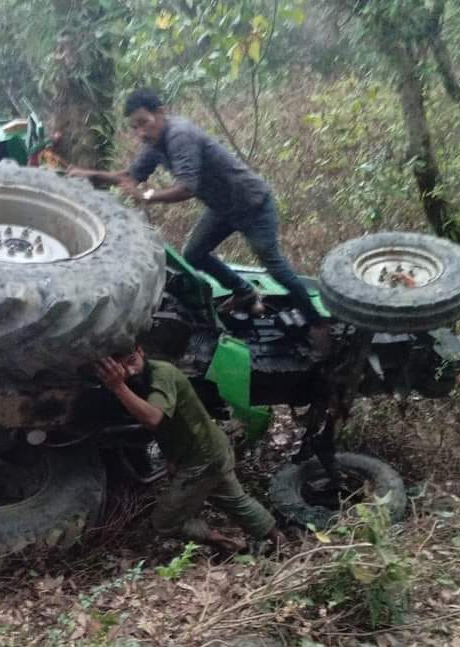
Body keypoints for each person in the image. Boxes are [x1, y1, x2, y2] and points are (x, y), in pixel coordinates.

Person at [69, 88, 328, 349]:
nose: (141, 133)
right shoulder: (154, 144)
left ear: (160, 112)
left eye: (144, 123)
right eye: (134, 127)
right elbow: (131, 175)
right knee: (193, 255)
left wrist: (148, 196)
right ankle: (244, 292)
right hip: (222, 209)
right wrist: (90, 175)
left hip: (253, 205)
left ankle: (317, 323)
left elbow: (187, 187)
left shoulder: (180, 135)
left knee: (274, 266)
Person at [95, 346, 286, 553]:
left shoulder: (162, 373)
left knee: (164, 522)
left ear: (142, 351)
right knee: (235, 500)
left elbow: (153, 418)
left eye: (132, 361)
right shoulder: (140, 379)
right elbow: (171, 426)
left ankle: (224, 542)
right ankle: (279, 541)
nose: (130, 371)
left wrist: (118, 386)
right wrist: (172, 458)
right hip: (211, 448)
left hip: (203, 457)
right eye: (122, 368)